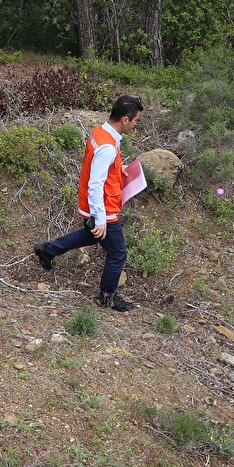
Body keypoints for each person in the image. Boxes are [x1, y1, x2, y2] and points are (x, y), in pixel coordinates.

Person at [34, 95, 143, 311]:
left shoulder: (99, 132)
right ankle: (107, 296)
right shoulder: (108, 147)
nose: (136, 124)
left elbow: (98, 166)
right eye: (136, 120)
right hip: (103, 207)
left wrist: (116, 168)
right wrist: (100, 218)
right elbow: (96, 184)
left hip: (89, 204)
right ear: (124, 119)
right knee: (118, 253)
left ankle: (47, 250)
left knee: (90, 236)